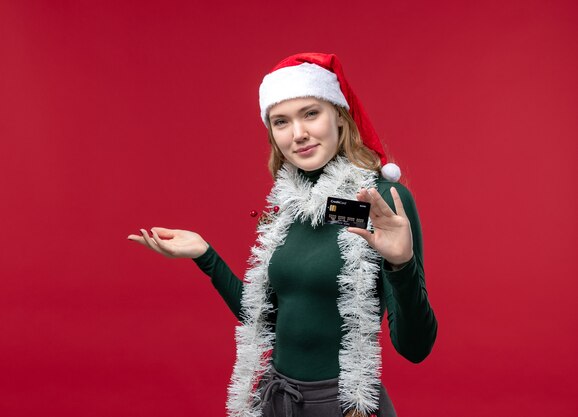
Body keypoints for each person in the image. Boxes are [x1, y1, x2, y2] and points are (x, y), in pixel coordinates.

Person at [128, 53, 437, 417]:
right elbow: (268, 317)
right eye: (281, 122)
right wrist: (205, 255)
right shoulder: (288, 206)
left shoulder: (380, 200)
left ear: (339, 114)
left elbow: (415, 348)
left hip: (343, 407)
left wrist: (402, 265)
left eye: (310, 113)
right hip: (276, 401)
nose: (298, 133)